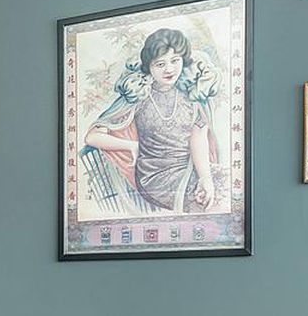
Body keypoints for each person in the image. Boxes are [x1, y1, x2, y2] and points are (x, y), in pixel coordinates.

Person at [83, 27, 216, 213]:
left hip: (190, 168)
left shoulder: (190, 93)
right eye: (160, 64)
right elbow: (92, 137)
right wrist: (131, 146)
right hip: (155, 176)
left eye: (175, 61)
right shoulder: (139, 95)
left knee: (217, 190)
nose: (169, 69)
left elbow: (199, 138)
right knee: (206, 204)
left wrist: (205, 178)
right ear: (149, 67)